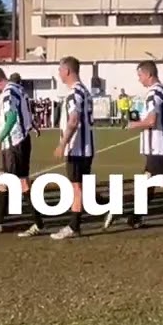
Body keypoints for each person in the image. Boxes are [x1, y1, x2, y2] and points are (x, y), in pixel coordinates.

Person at [111, 60, 163, 230]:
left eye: (140, 75)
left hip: (157, 146)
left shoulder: (154, 93)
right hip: (160, 145)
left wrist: (133, 125)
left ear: (148, 74)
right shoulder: (162, 91)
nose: (139, 79)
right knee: (149, 181)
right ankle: (135, 217)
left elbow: (151, 121)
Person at [0, 65, 44, 236]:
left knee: (20, 183)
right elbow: (25, 112)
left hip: (14, 143)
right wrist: (31, 125)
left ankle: (38, 223)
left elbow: (11, 117)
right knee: (4, 180)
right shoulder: (18, 89)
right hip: (19, 142)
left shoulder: (8, 93)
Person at [51, 56, 96, 240]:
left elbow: (73, 120)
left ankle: (73, 226)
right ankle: (105, 206)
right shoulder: (84, 91)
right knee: (80, 186)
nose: (59, 74)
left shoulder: (74, 93)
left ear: (67, 71)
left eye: (60, 70)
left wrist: (62, 144)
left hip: (77, 147)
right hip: (87, 147)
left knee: (76, 187)